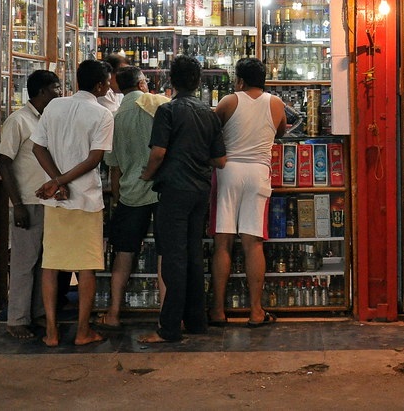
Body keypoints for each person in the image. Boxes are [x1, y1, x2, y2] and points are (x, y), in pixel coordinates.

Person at [139, 56, 226, 344]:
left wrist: (147, 175)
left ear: (171, 80)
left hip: (174, 190)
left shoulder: (168, 111)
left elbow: (158, 153)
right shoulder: (209, 114)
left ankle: (169, 328)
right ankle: (196, 321)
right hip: (200, 191)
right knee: (193, 255)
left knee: (174, 259)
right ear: (198, 81)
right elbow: (220, 160)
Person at [31, 59, 113, 347]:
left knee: (51, 265)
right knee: (87, 267)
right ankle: (82, 331)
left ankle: (52, 333)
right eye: (107, 83)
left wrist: (56, 180)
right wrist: (61, 182)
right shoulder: (102, 114)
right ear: (100, 85)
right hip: (86, 199)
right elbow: (94, 159)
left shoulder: (54, 106)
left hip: (55, 202)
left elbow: (37, 147)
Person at [210, 58, 287, 327]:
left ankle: (218, 311)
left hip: (227, 172)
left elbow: (212, 132)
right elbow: (281, 131)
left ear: (240, 80)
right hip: (259, 173)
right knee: (253, 244)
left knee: (223, 242)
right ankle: (255, 312)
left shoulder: (228, 101)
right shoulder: (276, 104)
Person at [96, 66, 170, 330]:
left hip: (130, 194)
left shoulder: (115, 118)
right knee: (164, 253)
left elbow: (114, 169)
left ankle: (113, 312)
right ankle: (165, 315)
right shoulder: (160, 105)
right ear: (141, 84)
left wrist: (118, 199)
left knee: (124, 253)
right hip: (161, 191)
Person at [0, 69, 61, 339]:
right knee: (24, 264)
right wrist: (18, 204)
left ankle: (36, 313)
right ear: (42, 91)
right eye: (55, 88)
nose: (59, 92)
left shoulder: (47, 120)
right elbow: (4, 163)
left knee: (43, 262)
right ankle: (17, 319)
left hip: (48, 200)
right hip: (27, 201)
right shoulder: (18, 120)